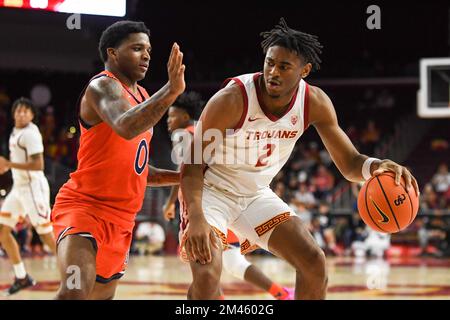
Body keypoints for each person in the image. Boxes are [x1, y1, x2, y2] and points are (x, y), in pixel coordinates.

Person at [180, 18, 419, 300]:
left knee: (313, 262)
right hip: (211, 191)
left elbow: (351, 163)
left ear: (304, 70)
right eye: (270, 63)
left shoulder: (314, 102)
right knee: (207, 278)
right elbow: (192, 163)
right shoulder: (232, 99)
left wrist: (377, 166)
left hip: (255, 194)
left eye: (284, 66)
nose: (273, 72)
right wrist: (195, 216)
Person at [50, 20, 185, 300]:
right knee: (74, 291)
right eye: (137, 49)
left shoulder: (144, 97)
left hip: (122, 221)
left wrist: (186, 177)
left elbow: (139, 170)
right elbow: (125, 125)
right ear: (113, 53)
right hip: (85, 209)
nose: (146, 55)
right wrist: (171, 90)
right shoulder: (102, 86)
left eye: (148, 49)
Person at [163, 93, 293, 300]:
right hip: (228, 199)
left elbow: (184, 173)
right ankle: (281, 293)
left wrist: (169, 203)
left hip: (208, 204)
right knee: (226, 262)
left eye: (172, 116)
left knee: (207, 266)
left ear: (186, 116)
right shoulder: (207, 129)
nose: (168, 121)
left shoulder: (186, 135)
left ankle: (282, 293)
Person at [0, 97, 56, 295]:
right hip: (19, 188)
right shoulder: (15, 131)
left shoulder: (30, 134)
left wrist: (8, 165)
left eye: (26, 111)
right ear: (14, 114)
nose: (22, 114)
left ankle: (75, 272)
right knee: (2, 230)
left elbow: (39, 165)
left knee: (46, 235)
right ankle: (21, 276)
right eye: (18, 110)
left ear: (32, 115)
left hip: (33, 187)